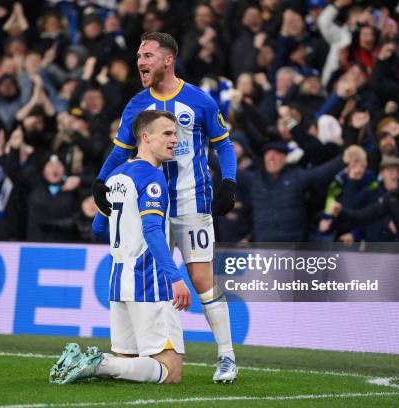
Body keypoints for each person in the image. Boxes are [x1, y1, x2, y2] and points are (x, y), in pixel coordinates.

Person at [91, 32, 238, 383]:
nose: (140, 61)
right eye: (138, 55)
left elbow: (224, 145)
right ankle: (142, 353)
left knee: (201, 279)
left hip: (191, 202)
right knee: (148, 275)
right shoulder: (135, 105)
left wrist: (229, 182)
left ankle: (227, 356)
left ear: (168, 59)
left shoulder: (199, 100)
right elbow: (118, 153)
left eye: (148, 55)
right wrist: (100, 182)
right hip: (148, 203)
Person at [51, 110, 191, 385]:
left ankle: (92, 363)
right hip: (149, 281)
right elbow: (152, 230)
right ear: (145, 137)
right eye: (167, 133)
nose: (175, 139)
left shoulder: (115, 176)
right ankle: (96, 363)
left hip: (119, 281)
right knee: (170, 371)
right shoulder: (152, 177)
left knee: (126, 363)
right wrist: (175, 277)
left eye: (175, 133)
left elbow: (98, 228)